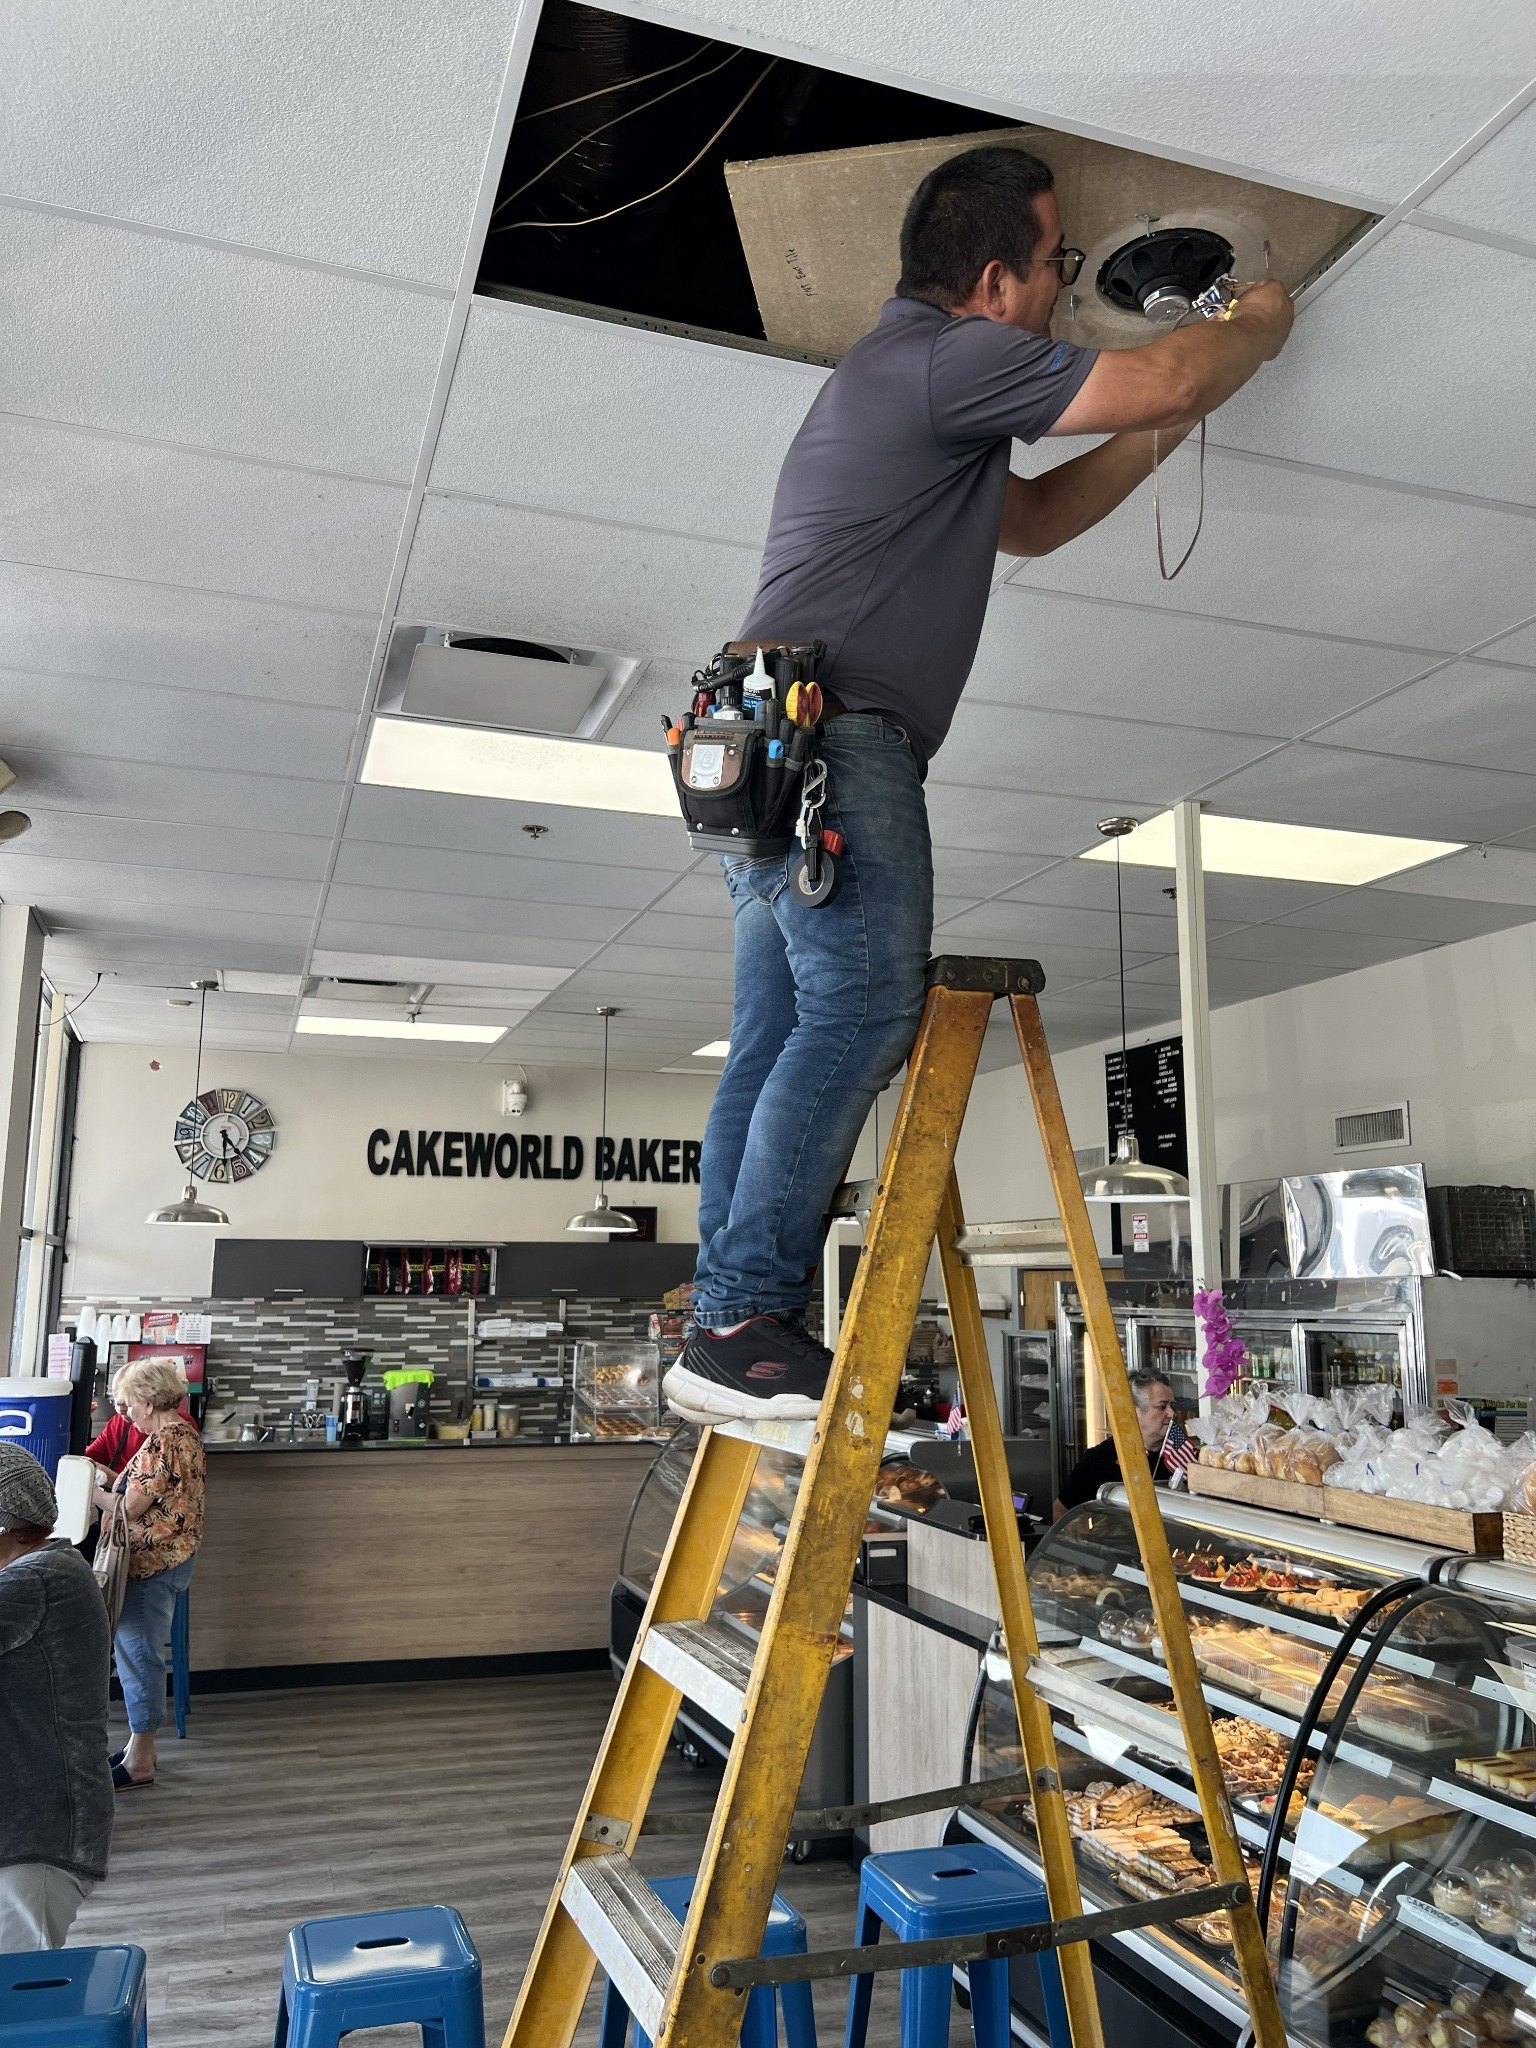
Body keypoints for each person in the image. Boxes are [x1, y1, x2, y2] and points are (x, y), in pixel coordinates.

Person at [663, 145, 1293, 1426]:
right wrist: (1256, 328)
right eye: (1061, 264)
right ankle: (741, 1314)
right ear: (998, 280)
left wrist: (1172, 415)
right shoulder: (941, 358)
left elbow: (1041, 518)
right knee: (861, 1012)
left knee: (782, 1032)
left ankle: (721, 1314)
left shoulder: (906, 394)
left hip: (762, 743)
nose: (1068, 286)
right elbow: (1165, 363)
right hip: (834, 735)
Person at [0, 1444, 113, 1948]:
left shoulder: (36, 1581)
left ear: (11, 1528)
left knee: (14, 2007)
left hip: (38, 1835)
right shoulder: (50, 1565)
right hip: (33, 1819)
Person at [91, 1356, 205, 1787]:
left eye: (127, 1404)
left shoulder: (164, 1442)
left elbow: (131, 1506)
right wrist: (114, 1478)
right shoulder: (179, 1436)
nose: (125, 1413)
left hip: (150, 1565)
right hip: (174, 1558)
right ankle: (139, 1746)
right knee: (139, 1654)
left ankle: (141, 1760)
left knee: (138, 1657)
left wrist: (95, 1487)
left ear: (146, 1399)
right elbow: (148, 1490)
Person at [1053, 1370, 1179, 1517]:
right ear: (1133, 1411)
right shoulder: (1099, 1460)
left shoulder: (1180, 1456)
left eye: (1172, 1406)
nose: (1171, 1413)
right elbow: (1061, 1509)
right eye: (1162, 1406)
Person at [84, 1369, 145, 1474]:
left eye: (125, 1396)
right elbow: (89, 1458)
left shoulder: (170, 1431)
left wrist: (112, 1478)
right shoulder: (116, 1422)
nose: (119, 1404)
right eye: (115, 1395)